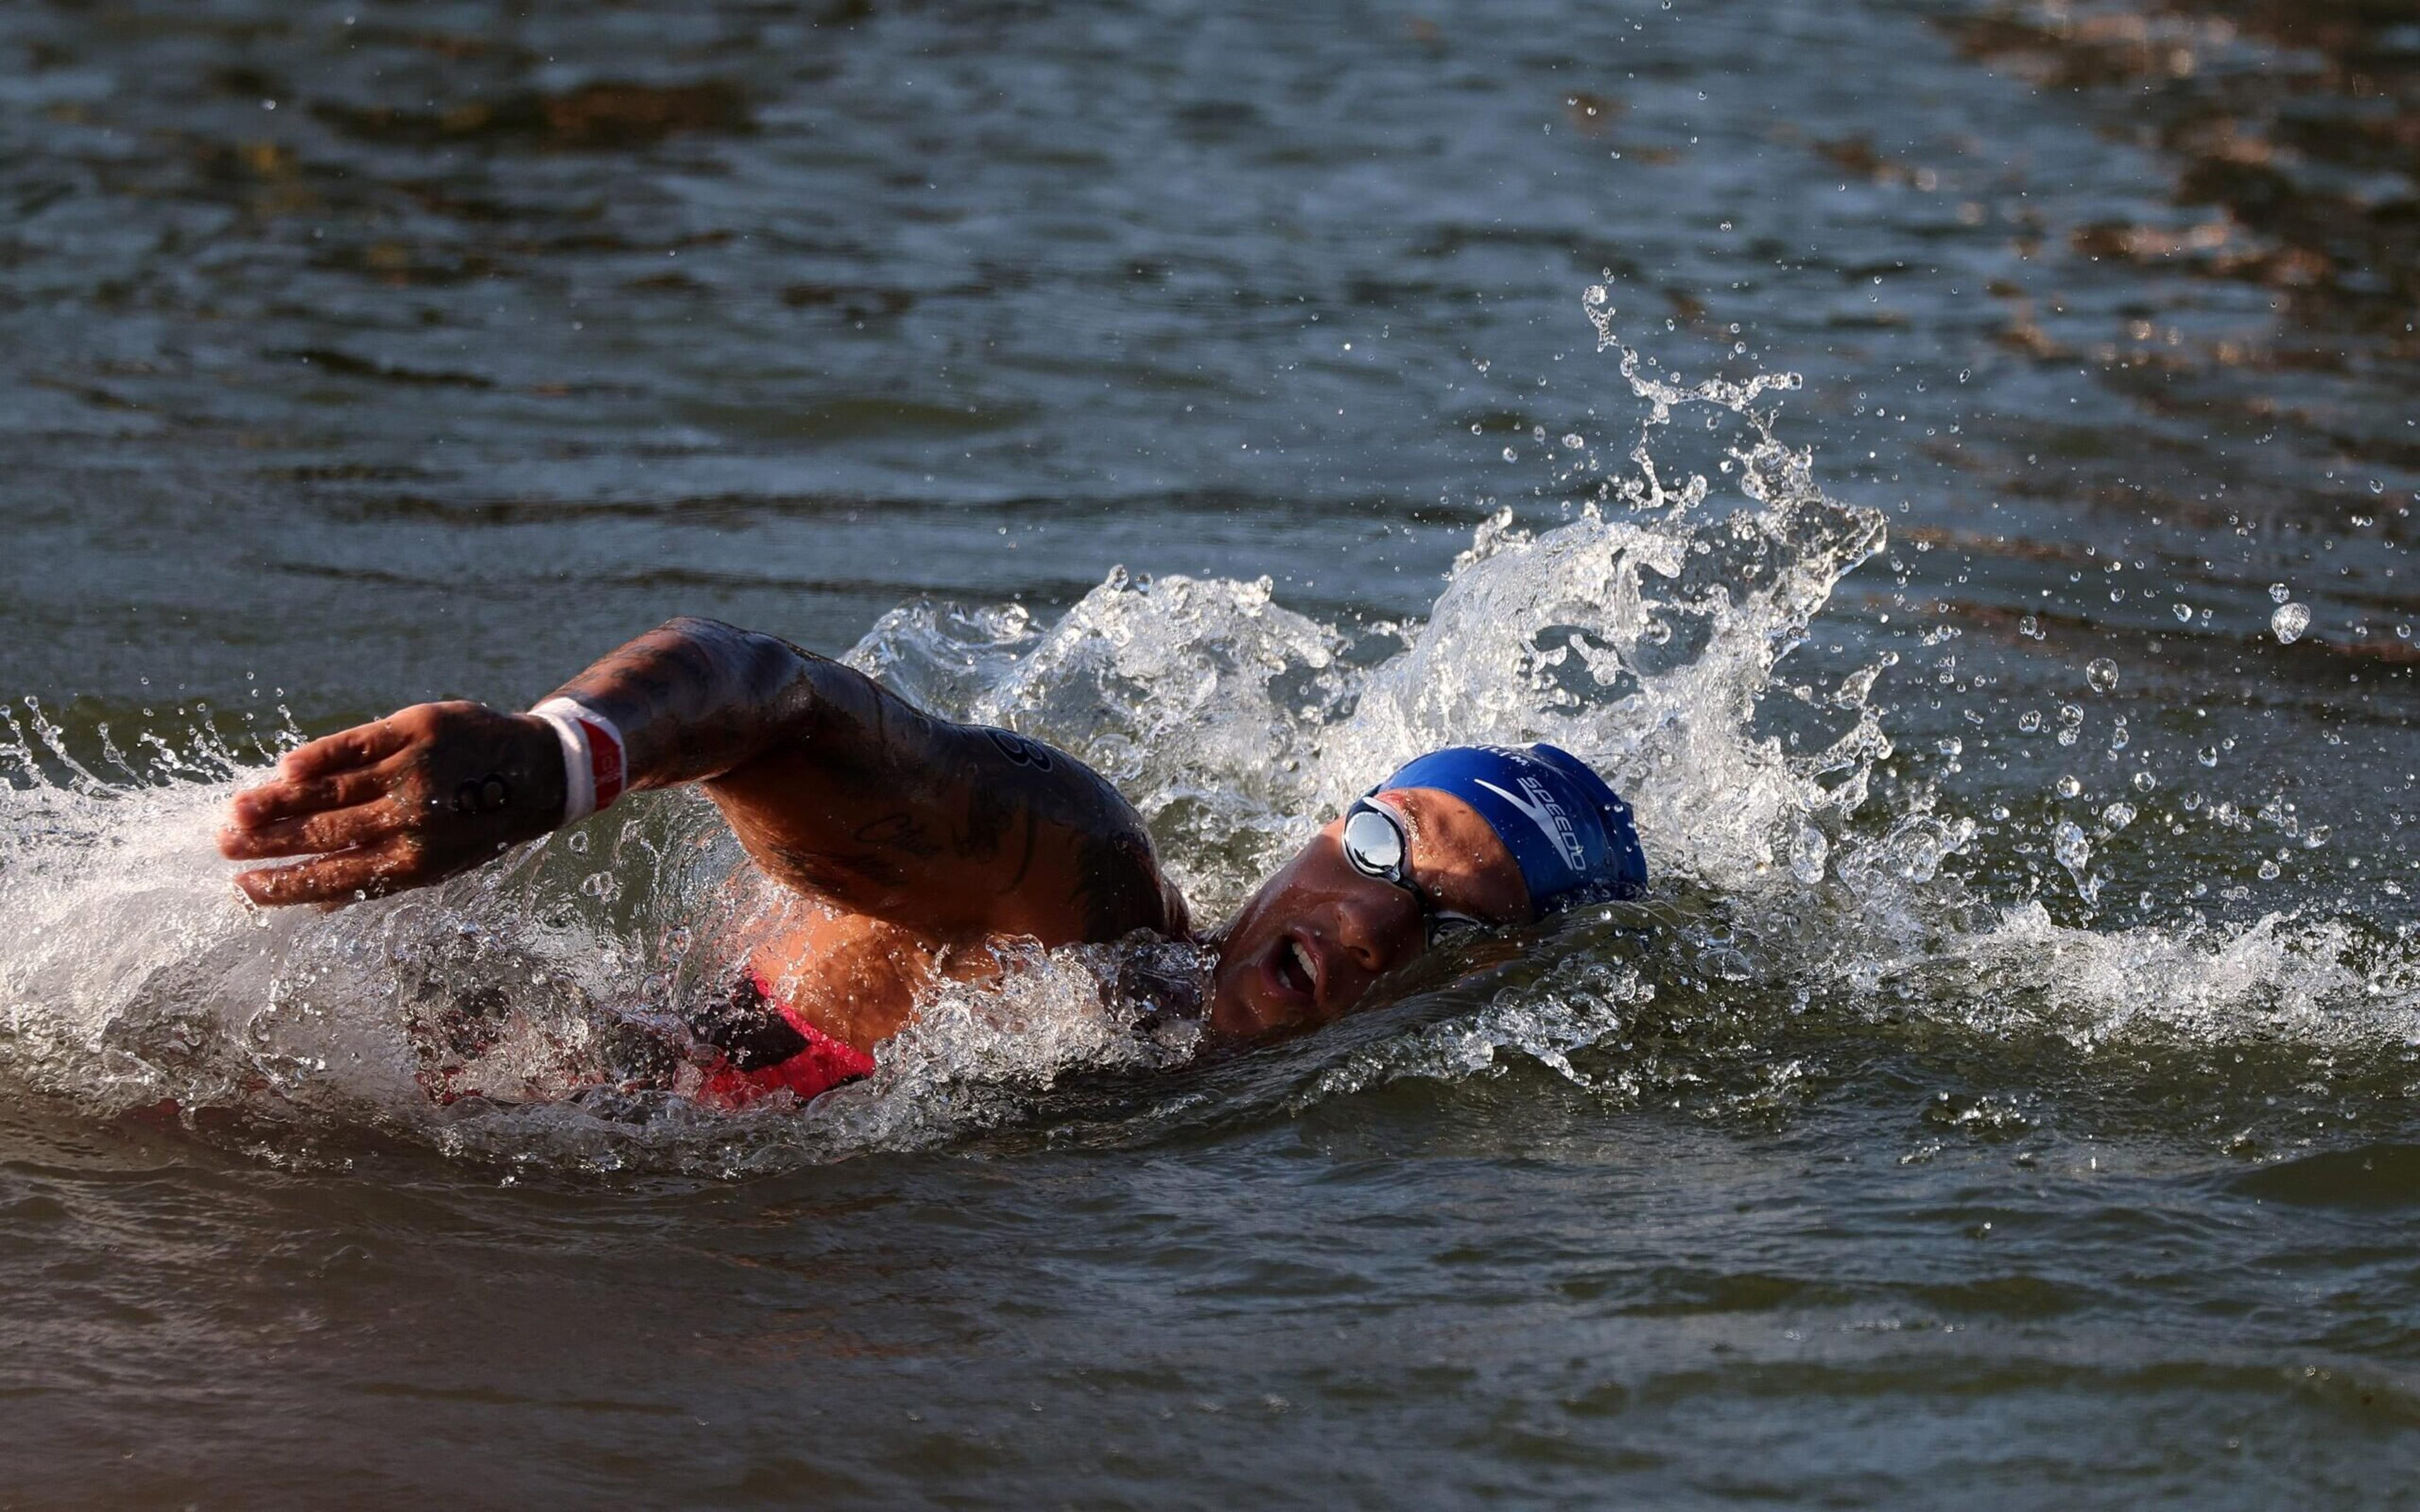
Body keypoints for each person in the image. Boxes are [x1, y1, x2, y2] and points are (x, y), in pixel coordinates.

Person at [217, 617, 1646, 1105]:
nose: (1382, 923)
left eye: (1455, 928)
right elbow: (773, 690)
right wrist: (560, 759)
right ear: (1321, 830)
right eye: (1388, 849)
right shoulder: (1079, 889)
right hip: (365, 1060)